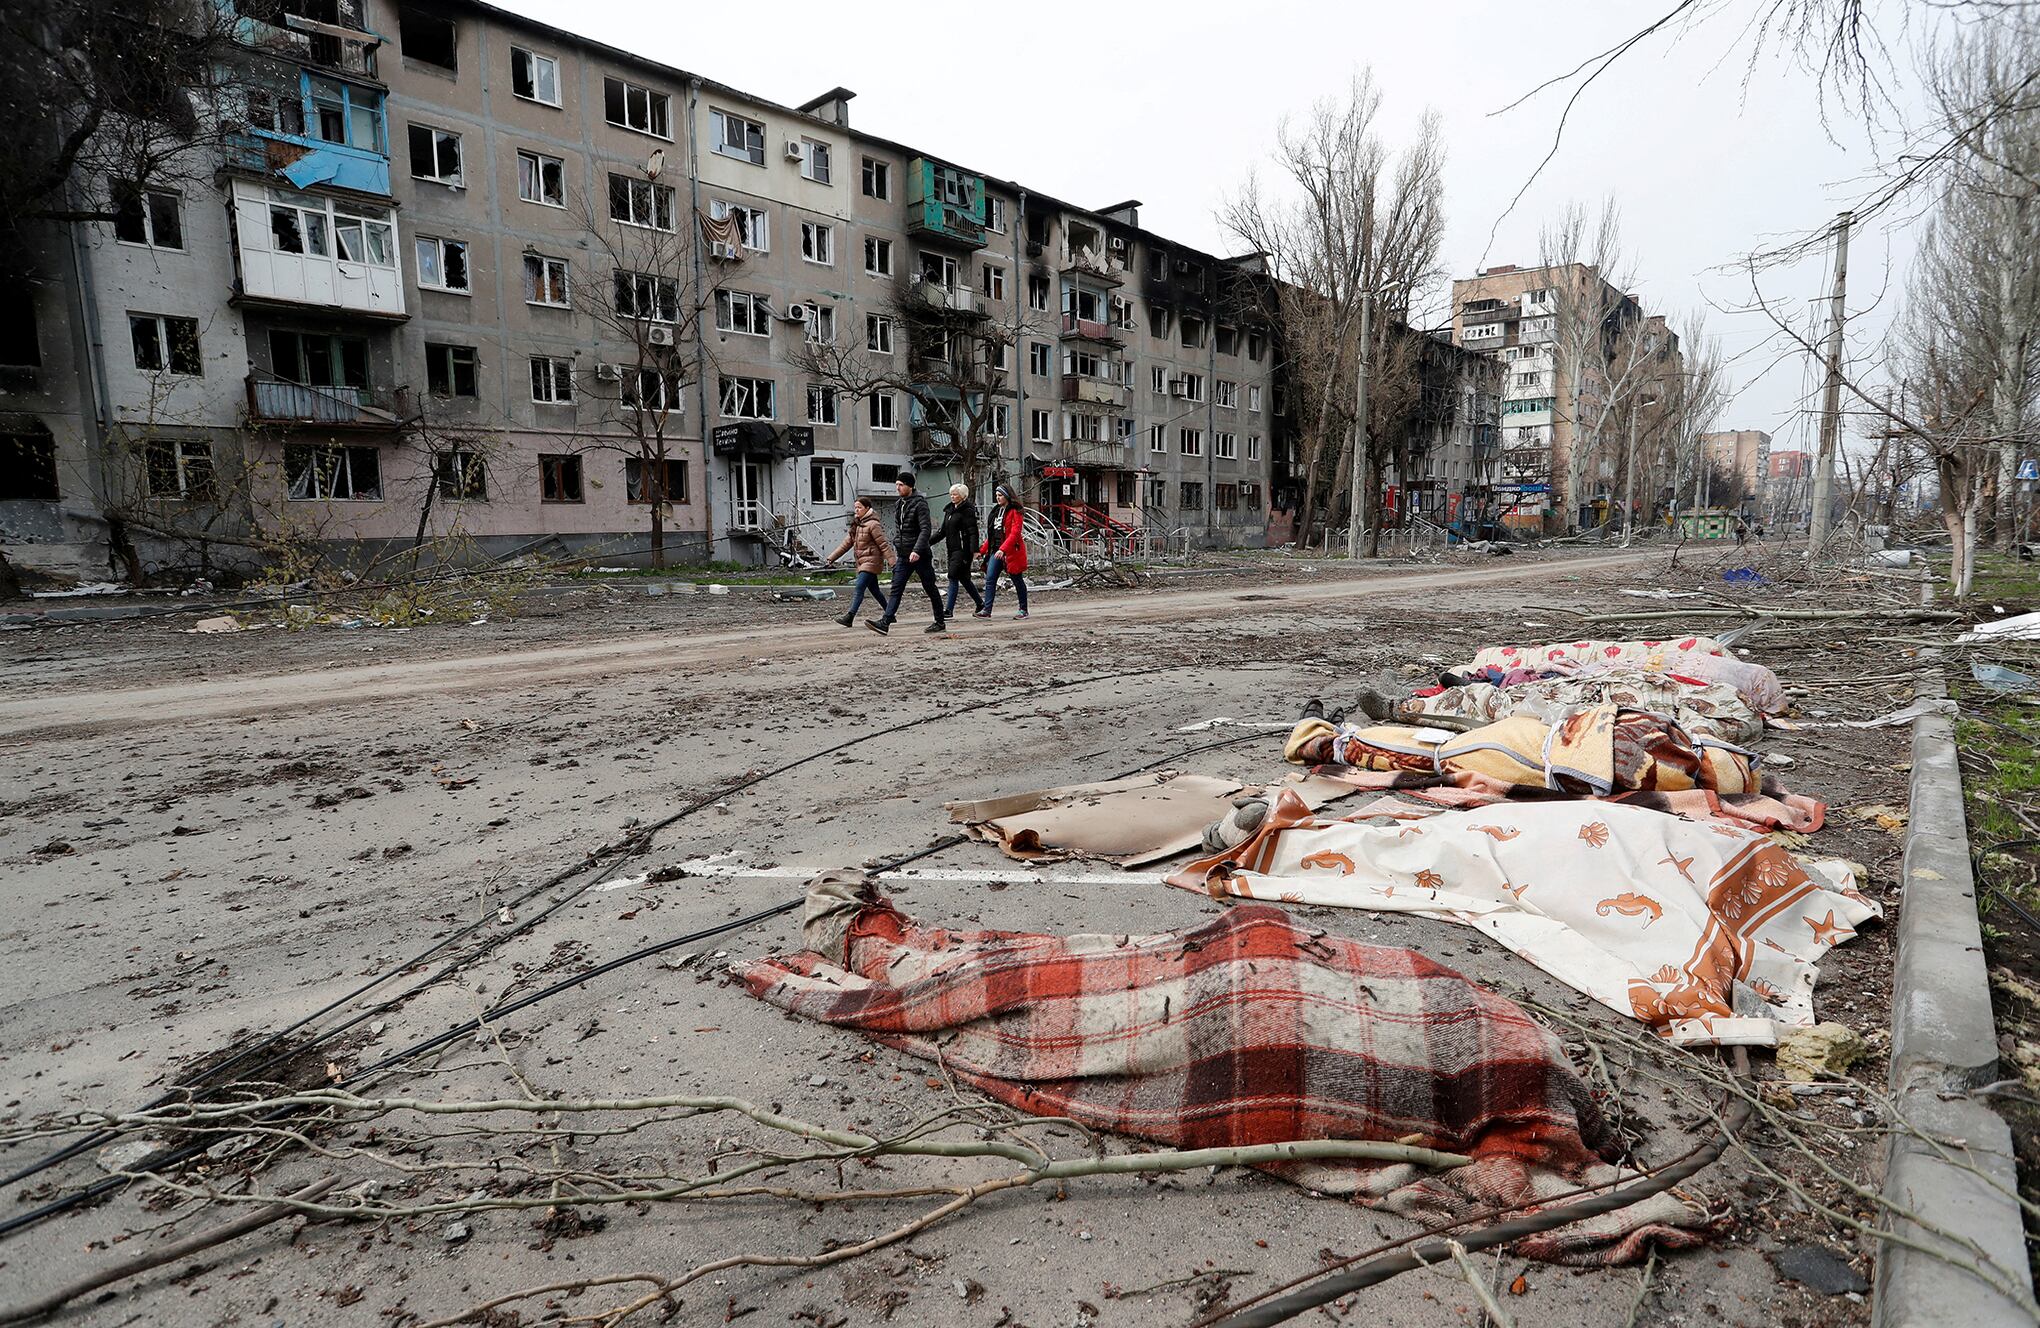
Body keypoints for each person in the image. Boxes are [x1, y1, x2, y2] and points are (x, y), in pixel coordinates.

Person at [867, 472, 946, 635]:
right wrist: (898, 544)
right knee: (896, 587)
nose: (898, 488)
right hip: (903, 554)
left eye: (901, 485)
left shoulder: (920, 504)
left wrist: (917, 550)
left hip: (920, 554)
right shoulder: (899, 504)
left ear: (910, 486)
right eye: (896, 485)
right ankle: (885, 622)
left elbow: (926, 529)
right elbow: (899, 528)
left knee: (930, 587)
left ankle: (940, 621)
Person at [820, 496, 892, 626]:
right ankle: (890, 613)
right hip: (862, 562)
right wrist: (831, 558)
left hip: (871, 561)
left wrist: (893, 562)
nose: (857, 510)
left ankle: (850, 617)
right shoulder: (857, 525)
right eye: (855, 508)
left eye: (859, 507)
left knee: (859, 587)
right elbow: (845, 545)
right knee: (875, 590)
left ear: (867, 508)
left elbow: (883, 545)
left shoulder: (873, 524)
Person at [976, 482, 1030, 619]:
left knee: (1017, 579)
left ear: (1007, 495)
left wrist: (1003, 549)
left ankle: (1023, 609)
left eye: (1000, 495)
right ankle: (987, 610)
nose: (998, 498)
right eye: (996, 495)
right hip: (996, 550)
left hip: (1011, 551)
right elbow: (993, 535)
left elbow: (1015, 533)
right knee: (990, 578)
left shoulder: (1015, 511)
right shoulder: (996, 511)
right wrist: (981, 551)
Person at [936, 482, 984, 620]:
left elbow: (973, 532)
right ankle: (980, 603)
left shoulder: (967, 511)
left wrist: (975, 550)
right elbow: (942, 531)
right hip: (952, 549)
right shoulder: (949, 511)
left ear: (962, 496)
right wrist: (927, 543)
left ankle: (949, 610)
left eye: (955, 494)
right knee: (964, 578)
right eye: (951, 494)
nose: (952, 496)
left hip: (963, 550)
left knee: (952, 576)